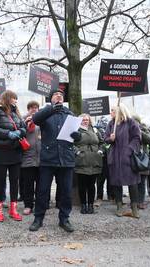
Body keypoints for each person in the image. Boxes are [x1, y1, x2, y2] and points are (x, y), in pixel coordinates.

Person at [29, 89, 80, 232]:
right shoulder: (46, 113)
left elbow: (78, 136)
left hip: (66, 159)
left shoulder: (69, 114)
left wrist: (77, 136)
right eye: (56, 95)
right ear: (50, 99)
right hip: (48, 159)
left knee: (66, 192)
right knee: (43, 191)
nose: (59, 96)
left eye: (61, 95)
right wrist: (51, 109)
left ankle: (64, 219)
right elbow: (35, 119)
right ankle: (38, 219)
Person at [0, 90, 26, 222]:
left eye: (16, 99)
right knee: (0, 182)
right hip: (0, 151)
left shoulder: (16, 113)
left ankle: (13, 209)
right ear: (7, 98)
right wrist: (8, 134)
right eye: (13, 98)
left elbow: (23, 128)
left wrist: (20, 132)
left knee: (14, 182)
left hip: (15, 151)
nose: (16, 101)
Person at [104, 104, 141, 218]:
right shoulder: (111, 124)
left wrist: (129, 150)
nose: (111, 112)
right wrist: (111, 138)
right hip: (114, 158)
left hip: (128, 157)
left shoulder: (130, 122)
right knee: (116, 182)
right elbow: (105, 138)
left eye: (113, 110)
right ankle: (119, 206)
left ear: (120, 111)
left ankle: (134, 207)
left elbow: (137, 138)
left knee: (132, 183)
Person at [74, 114, 103, 214]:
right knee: (82, 185)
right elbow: (70, 144)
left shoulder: (95, 130)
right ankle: (83, 205)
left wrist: (100, 151)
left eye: (87, 119)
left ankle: (91, 205)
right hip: (82, 160)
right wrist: (77, 152)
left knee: (91, 184)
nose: (85, 121)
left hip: (94, 160)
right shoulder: (76, 130)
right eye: (83, 119)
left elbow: (102, 143)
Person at [21, 100, 41, 215]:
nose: (34, 109)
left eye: (36, 107)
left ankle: (39, 204)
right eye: (31, 107)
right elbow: (19, 134)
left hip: (41, 158)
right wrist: (25, 124)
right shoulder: (23, 120)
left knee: (40, 184)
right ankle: (28, 205)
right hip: (27, 157)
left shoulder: (42, 121)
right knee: (28, 184)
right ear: (28, 109)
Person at [133, 115, 150, 210]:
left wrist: (139, 131)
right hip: (132, 157)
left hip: (143, 158)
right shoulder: (128, 129)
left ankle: (141, 202)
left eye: (134, 121)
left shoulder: (144, 129)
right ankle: (134, 201)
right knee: (133, 181)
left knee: (142, 181)